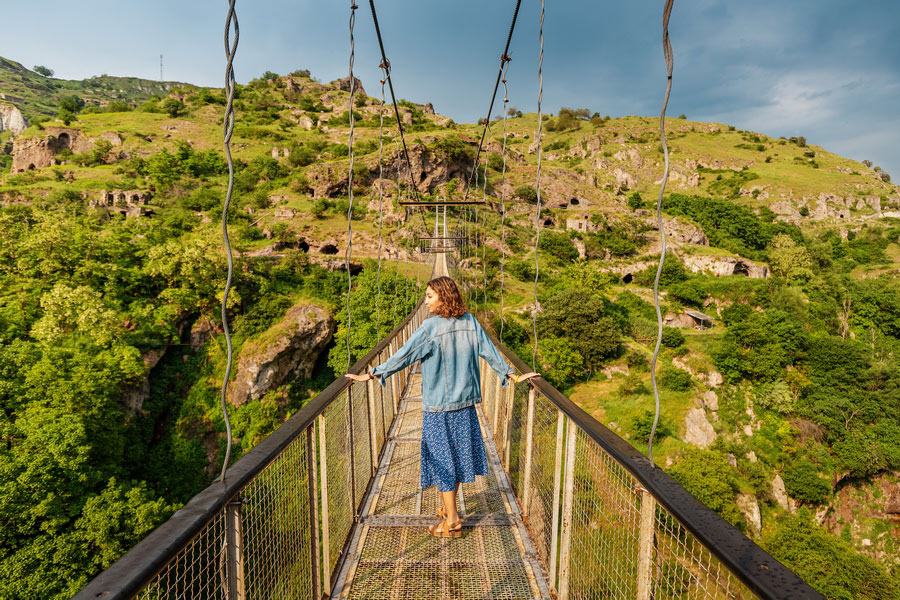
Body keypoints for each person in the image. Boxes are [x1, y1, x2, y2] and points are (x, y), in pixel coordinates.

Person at [346, 276, 538, 537]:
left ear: (443, 297)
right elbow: (491, 351)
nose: (425, 302)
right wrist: (512, 375)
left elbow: (404, 355)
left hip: (438, 409)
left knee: (442, 463)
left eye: (429, 296)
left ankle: (453, 522)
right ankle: (449, 510)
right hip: (467, 405)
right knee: (456, 460)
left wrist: (373, 374)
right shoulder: (470, 322)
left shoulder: (430, 328)